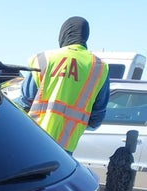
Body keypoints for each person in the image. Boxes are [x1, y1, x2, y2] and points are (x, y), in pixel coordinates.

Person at [20, 16, 109, 153]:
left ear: (63, 33)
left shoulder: (43, 59)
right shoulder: (99, 68)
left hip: (33, 139)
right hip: (65, 149)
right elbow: (96, 118)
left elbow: (24, 103)